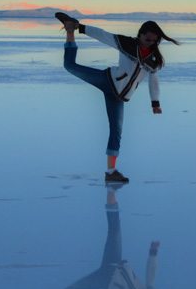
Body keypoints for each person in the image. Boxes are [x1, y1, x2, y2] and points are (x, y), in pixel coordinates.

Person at [55, 11, 179, 184]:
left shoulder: (154, 59)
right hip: (107, 81)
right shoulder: (126, 43)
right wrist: (80, 28)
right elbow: (104, 36)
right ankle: (69, 30)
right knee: (69, 66)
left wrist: (155, 103)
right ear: (140, 35)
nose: (151, 43)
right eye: (147, 39)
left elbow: (153, 81)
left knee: (116, 131)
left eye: (154, 41)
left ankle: (111, 172)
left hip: (120, 97)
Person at [51, 187, 172, 289]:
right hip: (115, 264)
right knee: (114, 229)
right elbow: (150, 278)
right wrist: (153, 253)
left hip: (106, 279)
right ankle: (111, 190)